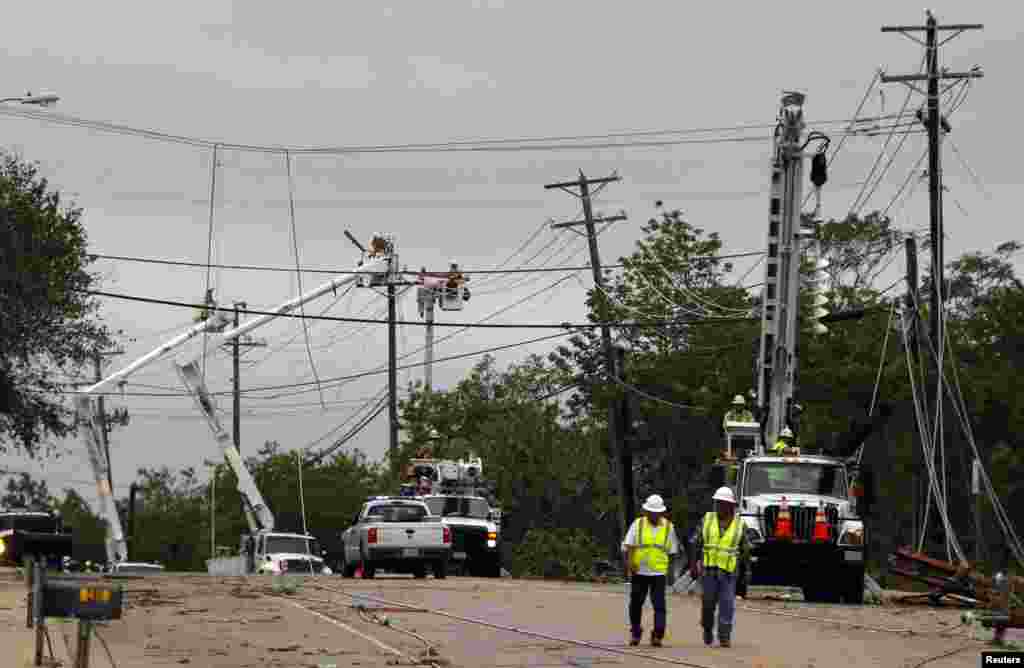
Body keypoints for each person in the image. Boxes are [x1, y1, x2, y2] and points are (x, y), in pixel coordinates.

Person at [690, 486, 750, 648]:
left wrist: (745, 573)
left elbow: (745, 550)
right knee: (708, 605)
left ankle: (724, 636)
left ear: (731, 506)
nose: (719, 507)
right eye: (718, 503)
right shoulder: (707, 520)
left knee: (727, 605)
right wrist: (693, 565)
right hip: (709, 571)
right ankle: (707, 628)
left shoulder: (740, 525)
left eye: (723, 504)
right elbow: (695, 543)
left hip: (729, 573)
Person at [621, 494, 681, 647]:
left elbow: (672, 552)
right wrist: (629, 564)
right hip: (639, 571)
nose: (653, 515)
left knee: (659, 605)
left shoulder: (668, 527)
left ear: (661, 513)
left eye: (656, 513)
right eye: (650, 512)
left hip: (658, 573)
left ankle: (657, 635)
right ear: (646, 511)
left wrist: (671, 574)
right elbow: (628, 546)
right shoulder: (638, 524)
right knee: (635, 603)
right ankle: (635, 632)